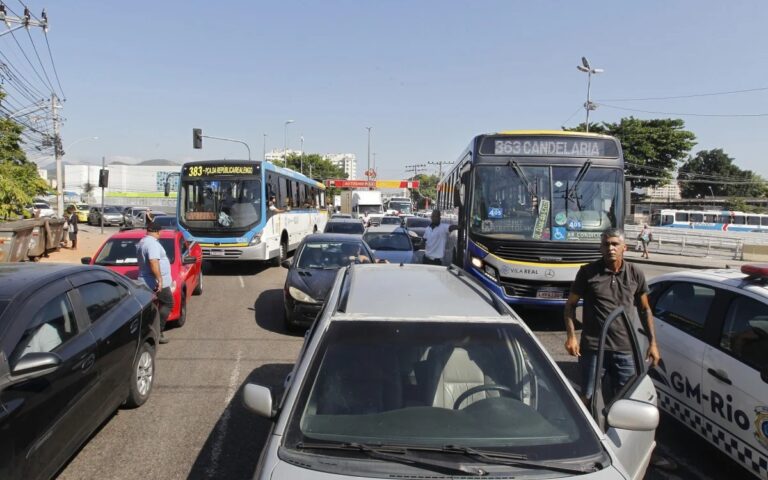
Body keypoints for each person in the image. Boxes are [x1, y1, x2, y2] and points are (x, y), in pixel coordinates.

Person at [564, 227, 661, 404]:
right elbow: (570, 305)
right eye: (606, 244)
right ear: (601, 248)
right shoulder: (587, 272)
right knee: (588, 396)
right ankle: (587, 430)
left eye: (615, 244)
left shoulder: (635, 273)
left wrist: (653, 343)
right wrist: (571, 337)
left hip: (625, 349)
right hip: (594, 348)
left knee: (626, 399)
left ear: (625, 247)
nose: (610, 248)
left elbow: (645, 309)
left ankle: (616, 431)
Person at [136, 220, 173, 344]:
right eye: (160, 232)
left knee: (151, 307)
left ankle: (149, 330)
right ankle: (159, 331)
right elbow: (153, 261)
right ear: (157, 232)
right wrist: (160, 279)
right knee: (168, 303)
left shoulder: (143, 241)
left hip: (147, 280)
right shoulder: (152, 244)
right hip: (154, 282)